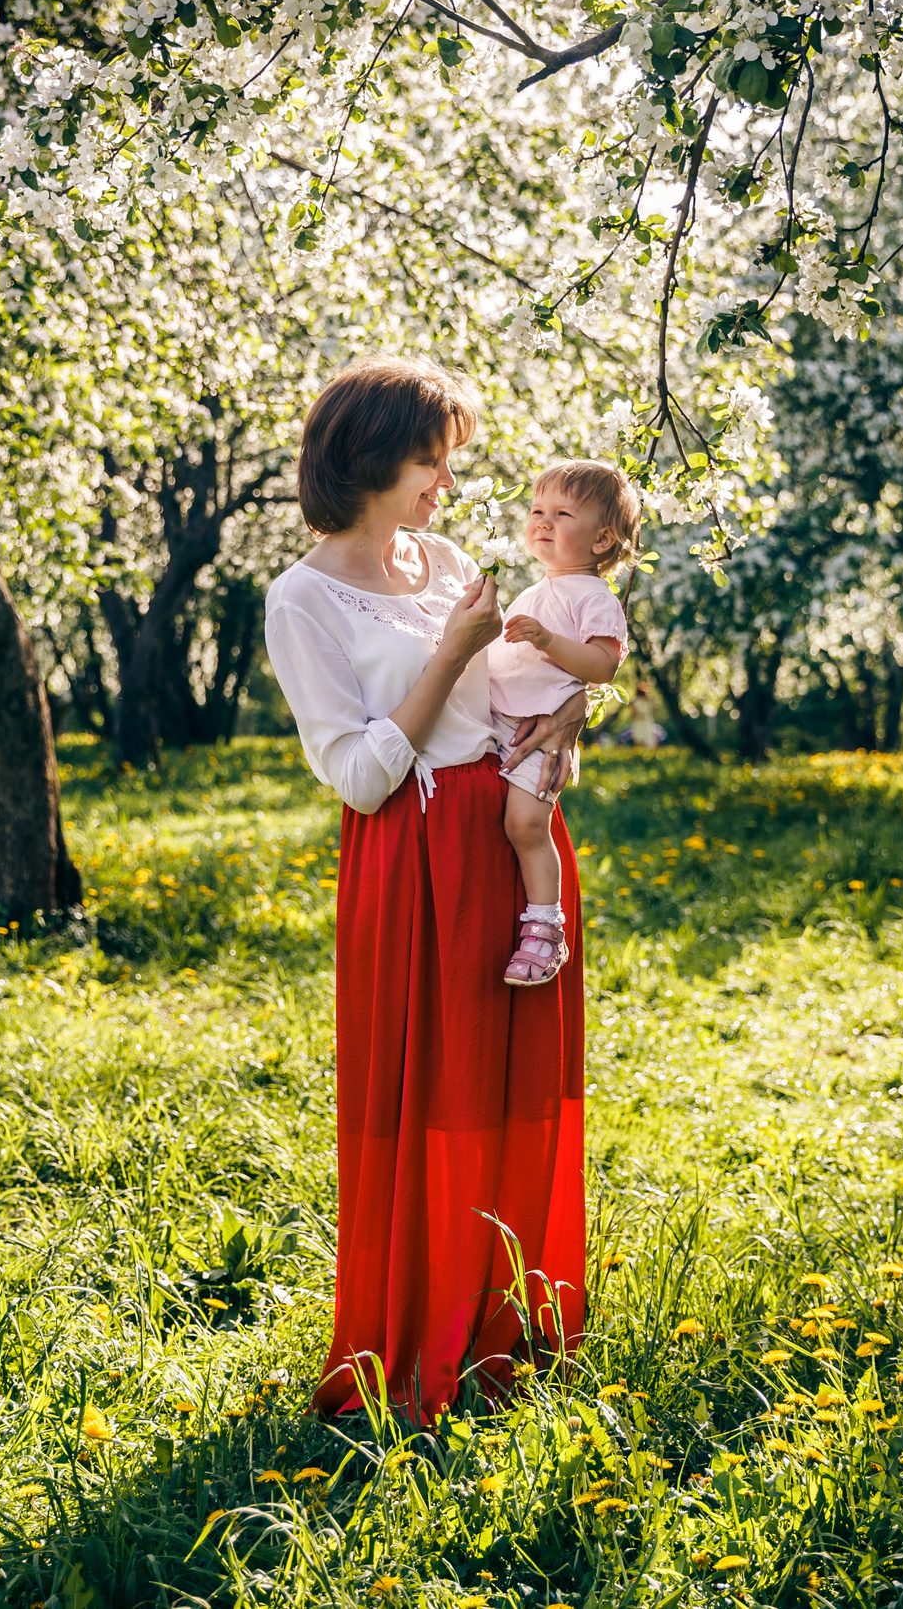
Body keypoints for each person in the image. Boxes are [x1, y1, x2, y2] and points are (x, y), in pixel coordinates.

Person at [261, 354, 591, 1424]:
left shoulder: (443, 557)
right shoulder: (303, 598)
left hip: (504, 836)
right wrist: (447, 656)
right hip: (412, 859)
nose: (446, 484)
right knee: (433, 1096)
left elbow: (519, 682)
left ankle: (508, 1324)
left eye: (448, 463)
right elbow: (357, 775)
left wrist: (567, 715)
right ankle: (419, 1339)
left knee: (509, 1088)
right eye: (429, 462)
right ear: (365, 462)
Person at [488, 460, 639, 985]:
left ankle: (546, 928)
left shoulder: (595, 597)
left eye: (561, 513)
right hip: (500, 724)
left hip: (537, 737)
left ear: (601, 540)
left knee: (525, 825)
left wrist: (548, 641)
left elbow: (602, 666)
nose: (542, 522)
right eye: (536, 511)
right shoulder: (536, 590)